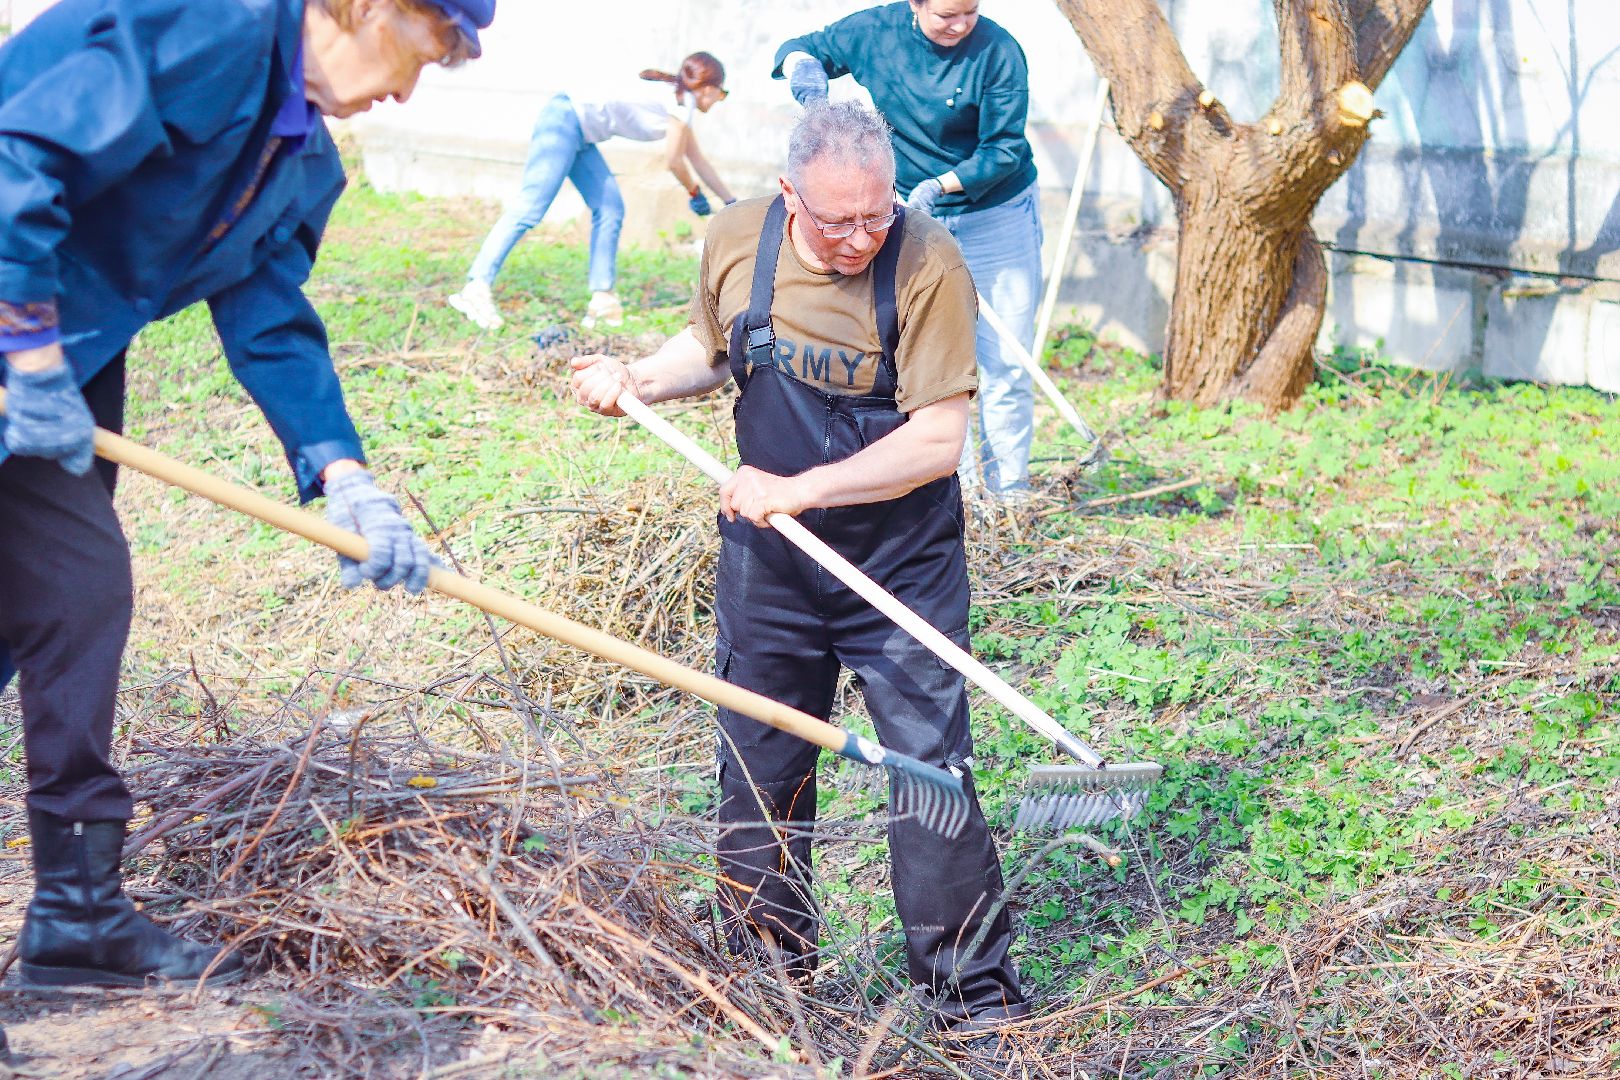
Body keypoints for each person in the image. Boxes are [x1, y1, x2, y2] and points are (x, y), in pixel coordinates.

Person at [0, 0, 489, 997]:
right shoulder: (213, 23)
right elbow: (18, 152)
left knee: (62, 601)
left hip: (64, 355)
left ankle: (76, 918)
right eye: (413, 54)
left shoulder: (299, 161)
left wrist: (342, 476)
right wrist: (25, 348)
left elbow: (270, 313)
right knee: (76, 586)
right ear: (365, 4)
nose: (402, 90)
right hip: (29, 329)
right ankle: (76, 917)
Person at [569, 102, 1026, 1030]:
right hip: (769, 567)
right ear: (789, 194)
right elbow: (708, 349)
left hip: (900, 561)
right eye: (836, 219)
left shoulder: (928, 260)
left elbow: (938, 440)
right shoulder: (738, 237)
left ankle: (971, 998)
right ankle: (766, 985)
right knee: (759, 762)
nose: (861, 236)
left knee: (929, 769)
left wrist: (802, 489)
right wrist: (637, 379)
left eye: (877, 213)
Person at [773, 1, 1041, 501]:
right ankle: (949, 488)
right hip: (902, 213)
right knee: (929, 355)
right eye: (946, 15)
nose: (960, 25)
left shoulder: (999, 50)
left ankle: (1010, 495)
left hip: (993, 212)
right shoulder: (875, 31)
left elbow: (1004, 148)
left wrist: (940, 185)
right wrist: (803, 67)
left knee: (1005, 361)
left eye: (970, 11)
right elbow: (802, 49)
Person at [448, 52, 736, 331]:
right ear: (709, 89)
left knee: (609, 207)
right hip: (564, 120)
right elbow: (675, 161)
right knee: (531, 208)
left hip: (580, 133)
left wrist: (730, 201)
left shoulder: (677, 102)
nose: (718, 101)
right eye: (721, 95)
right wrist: (694, 192)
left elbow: (697, 160)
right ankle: (475, 288)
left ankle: (602, 300)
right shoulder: (681, 105)